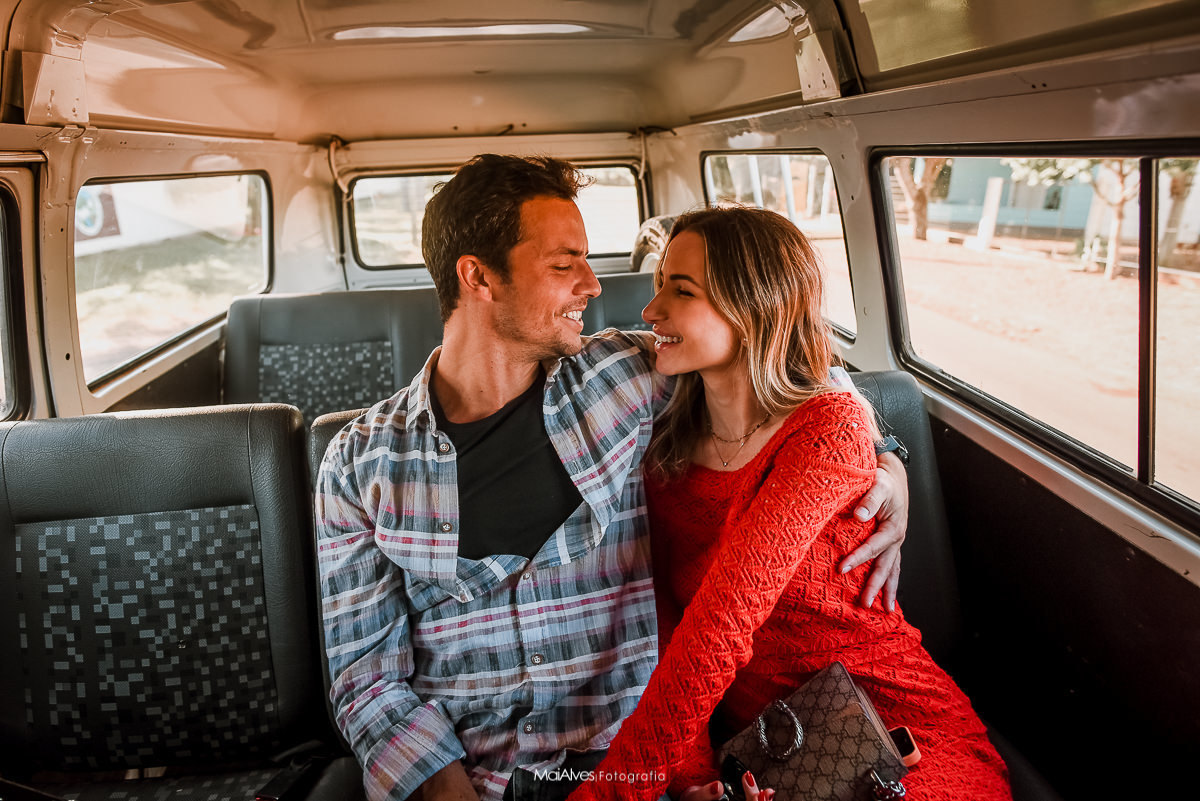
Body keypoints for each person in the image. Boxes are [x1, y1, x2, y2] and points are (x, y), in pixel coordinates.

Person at [315, 155, 910, 801]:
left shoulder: (627, 375)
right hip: (470, 772)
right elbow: (366, 678)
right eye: (565, 264)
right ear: (479, 277)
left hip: (631, 767)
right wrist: (442, 787)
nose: (594, 285)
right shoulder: (358, 462)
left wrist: (888, 456)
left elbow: (783, 357)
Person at [565, 207, 1012, 801]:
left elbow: (721, 626)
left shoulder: (825, 430)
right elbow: (674, 622)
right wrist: (695, 776)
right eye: (657, 286)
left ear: (753, 305)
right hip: (769, 747)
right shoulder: (666, 447)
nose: (651, 312)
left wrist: (609, 795)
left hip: (894, 728)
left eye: (681, 289)